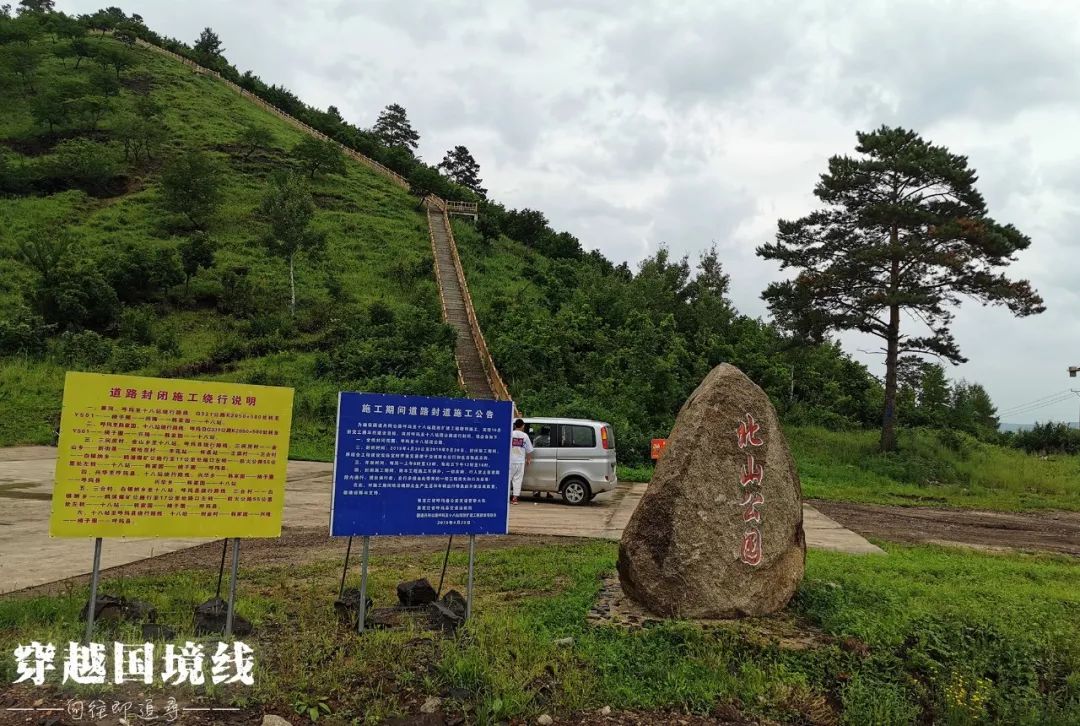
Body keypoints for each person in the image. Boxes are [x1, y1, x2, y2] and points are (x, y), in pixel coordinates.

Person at [509, 418, 533, 505]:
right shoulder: (525, 436)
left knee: (508, 479)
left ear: (515, 425)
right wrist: (528, 459)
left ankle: (505, 498)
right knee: (518, 480)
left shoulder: (510, 434)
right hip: (520, 461)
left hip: (510, 461)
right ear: (523, 426)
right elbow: (529, 450)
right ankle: (515, 499)